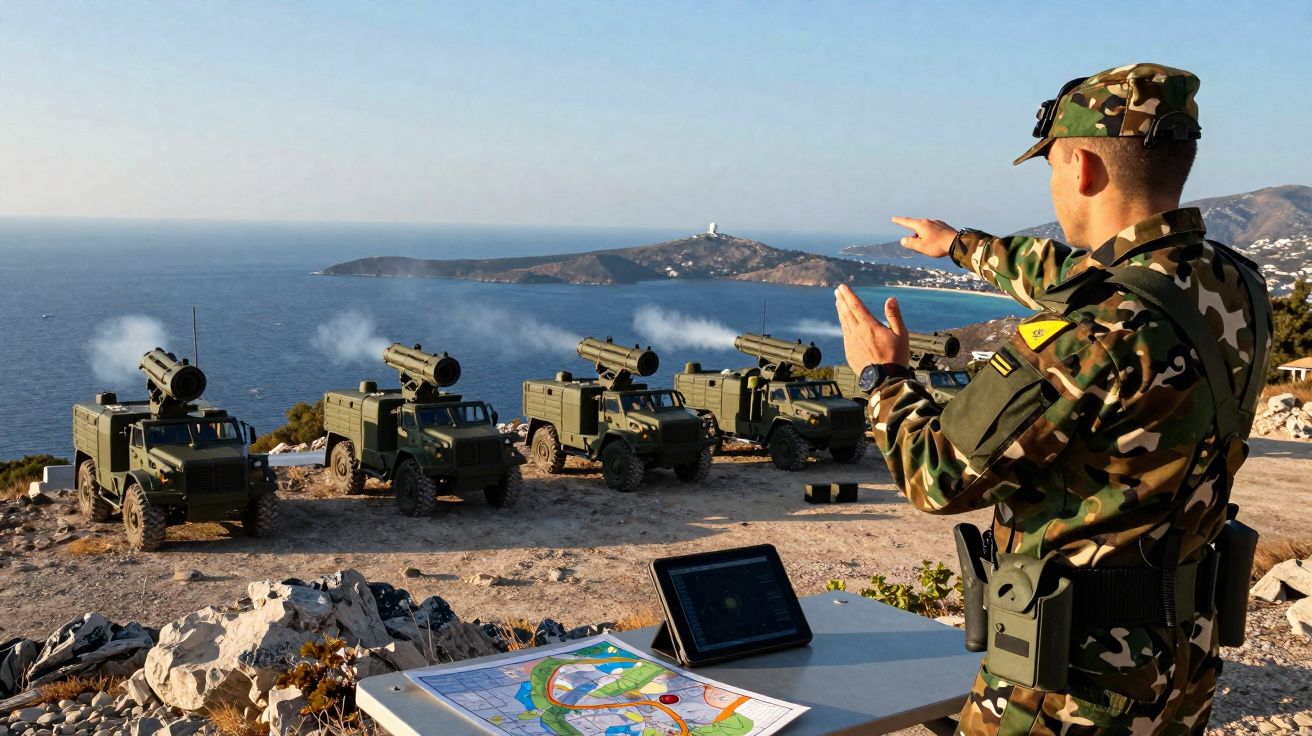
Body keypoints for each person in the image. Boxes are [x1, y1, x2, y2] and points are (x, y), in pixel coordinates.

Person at [834, 63, 1271, 734]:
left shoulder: (1089, 336)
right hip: (1179, 664)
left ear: (1083, 168)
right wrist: (961, 246)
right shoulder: (1234, 285)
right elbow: (1082, 275)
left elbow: (936, 476)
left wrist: (882, 377)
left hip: (1070, 684)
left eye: (1051, 167)